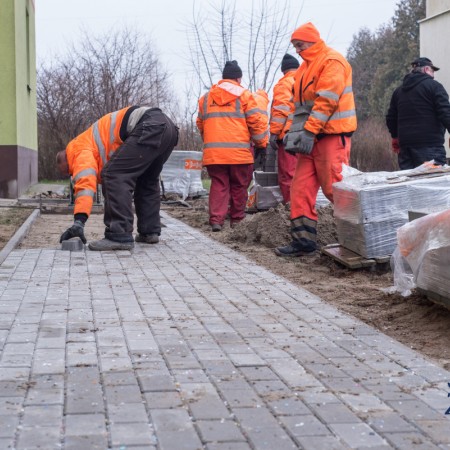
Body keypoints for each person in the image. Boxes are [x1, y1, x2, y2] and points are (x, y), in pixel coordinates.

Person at [275, 22, 357, 257]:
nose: (298, 50)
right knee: (299, 189)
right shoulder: (303, 70)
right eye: (295, 46)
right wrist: (292, 133)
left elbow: (326, 101)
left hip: (331, 136)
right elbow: (298, 107)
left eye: (300, 45)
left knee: (335, 189)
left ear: (311, 41)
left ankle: (357, 236)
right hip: (311, 139)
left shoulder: (332, 61)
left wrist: (308, 132)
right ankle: (303, 243)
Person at [57, 106, 178, 251]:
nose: (73, 175)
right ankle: (149, 232)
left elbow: (85, 184)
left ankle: (119, 235)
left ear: (66, 159)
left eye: (70, 172)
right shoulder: (88, 141)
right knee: (146, 179)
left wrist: (79, 222)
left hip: (150, 126)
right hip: (168, 129)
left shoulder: (78, 151)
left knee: (113, 175)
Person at [196, 60, 268, 231]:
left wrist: (211, 141)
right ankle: (237, 220)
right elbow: (256, 123)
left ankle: (216, 220)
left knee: (219, 184)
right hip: (239, 153)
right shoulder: (245, 96)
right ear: (238, 78)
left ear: (223, 78)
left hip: (214, 154)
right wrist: (261, 144)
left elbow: (200, 123)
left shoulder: (206, 98)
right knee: (239, 186)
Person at [386, 57, 450, 170]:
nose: (433, 74)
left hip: (405, 149)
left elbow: (391, 118)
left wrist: (395, 137)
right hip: (431, 147)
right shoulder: (435, 87)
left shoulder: (398, 91)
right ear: (426, 69)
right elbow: (445, 112)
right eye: (432, 70)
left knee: (411, 185)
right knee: (432, 184)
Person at [269, 53, 300, 202]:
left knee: (288, 175)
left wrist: (274, 133)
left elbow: (281, 111)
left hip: (289, 137)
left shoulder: (284, 83)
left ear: (284, 70)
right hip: (309, 134)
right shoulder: (307, 79)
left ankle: (292, 208)